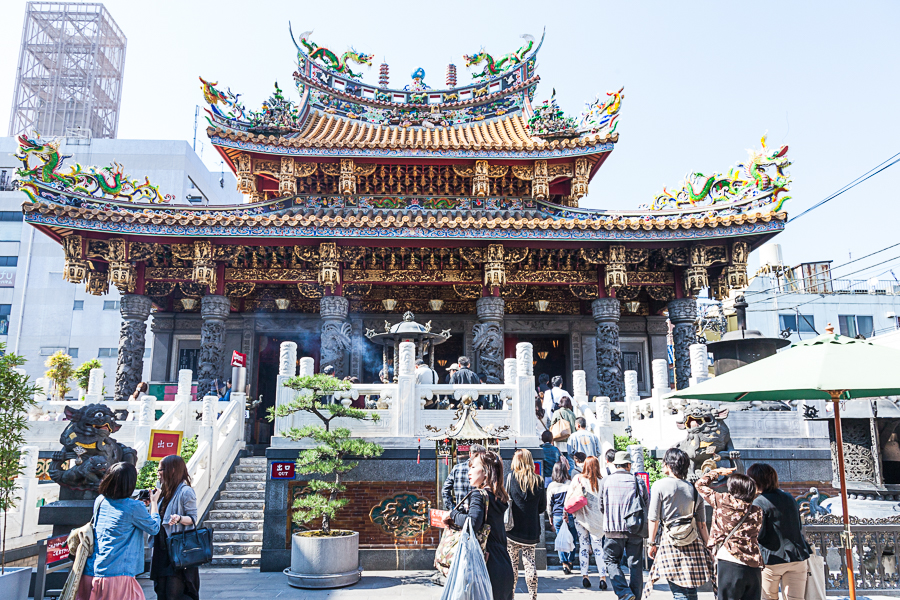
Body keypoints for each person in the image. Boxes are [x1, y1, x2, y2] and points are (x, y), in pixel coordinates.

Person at [77, 462, 161, 600]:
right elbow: (154, 528)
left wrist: (137, 504)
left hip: (90, 571)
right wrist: (154, 503)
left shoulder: (100, 500)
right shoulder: (134, 507)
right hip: (116, 575)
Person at [442, 451, 514, 600]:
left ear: (486, 471)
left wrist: (452, 514)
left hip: (486, 566)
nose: (469, 472)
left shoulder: (479, 495)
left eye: (473, 467)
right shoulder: (499, 497)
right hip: (504, 564)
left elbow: (472, 523)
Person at [645, 448, 712, 600]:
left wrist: (651, 543)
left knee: (679, 591)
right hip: (693, 543)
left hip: (671, 541)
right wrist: (709, 547)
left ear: (669, 465)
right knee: (691, 590)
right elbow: (702, 524)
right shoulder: (694, 489)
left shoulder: (659, 485)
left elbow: (653, 518)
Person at [696, 468, 763, 600]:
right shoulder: (757, 510)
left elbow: (699, 485)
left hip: (729, 560)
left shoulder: (723, 501)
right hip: (753, 564)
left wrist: (717, 472)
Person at [747, 463, 811, 600]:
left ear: (755, 481)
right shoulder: (789, 497)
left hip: (771, 558)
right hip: (797, 556)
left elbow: (759, 533)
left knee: (768, 598)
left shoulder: (758, 503)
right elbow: (798, 525)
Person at [599, 451, 649, 600]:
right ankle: (635, 597)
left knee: (611, 561)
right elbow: (646, 504)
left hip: (612, 529)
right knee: (635, 565)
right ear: (628, 465)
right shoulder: (637, 481)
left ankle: (624, 593)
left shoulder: (606, 481)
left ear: (615, 465)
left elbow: (601, 506)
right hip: (635, 529)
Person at [150, 454, 200, 600]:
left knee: (174, 594)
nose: (158, 474)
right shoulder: (163, 492)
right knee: (161, 592)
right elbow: (155, 519)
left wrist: (179, 518)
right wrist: (152, 502)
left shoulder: (186, 491)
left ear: (172, 470)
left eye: (161, 470)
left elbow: (193, 518)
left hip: (177, 552)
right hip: (161, 550)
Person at [506, 449, 546, 600]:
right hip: (531, 530)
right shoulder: (539, 481)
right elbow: (542, 507)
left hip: (512, 529)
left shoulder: (511, 478)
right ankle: (532, 596)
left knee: (512, 565)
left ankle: (511, 595)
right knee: (530, 563)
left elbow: (505, 500)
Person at [572, 456, 608, 589]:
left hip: (581, 518)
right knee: (598, 548)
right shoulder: (603, 481)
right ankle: (602, 578)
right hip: (598, 519)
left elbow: (569, 497)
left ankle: (585, 576)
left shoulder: (578, 479)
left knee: (583, 547)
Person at [547, 461, 579, 574]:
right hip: (570, 514)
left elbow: (549, 504)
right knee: (573, 538)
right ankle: (570, 560)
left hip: (557, 515)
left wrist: (550, 515)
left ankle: (564, 563)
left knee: (560, 539)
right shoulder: (570, 484)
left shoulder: (551, 486)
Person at [441, 444, 487, 510]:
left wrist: (452, 508)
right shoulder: (483, 470)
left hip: (459, 511)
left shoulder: (457, 468)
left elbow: (445, 490)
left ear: (470, 454)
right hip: (477, 510)